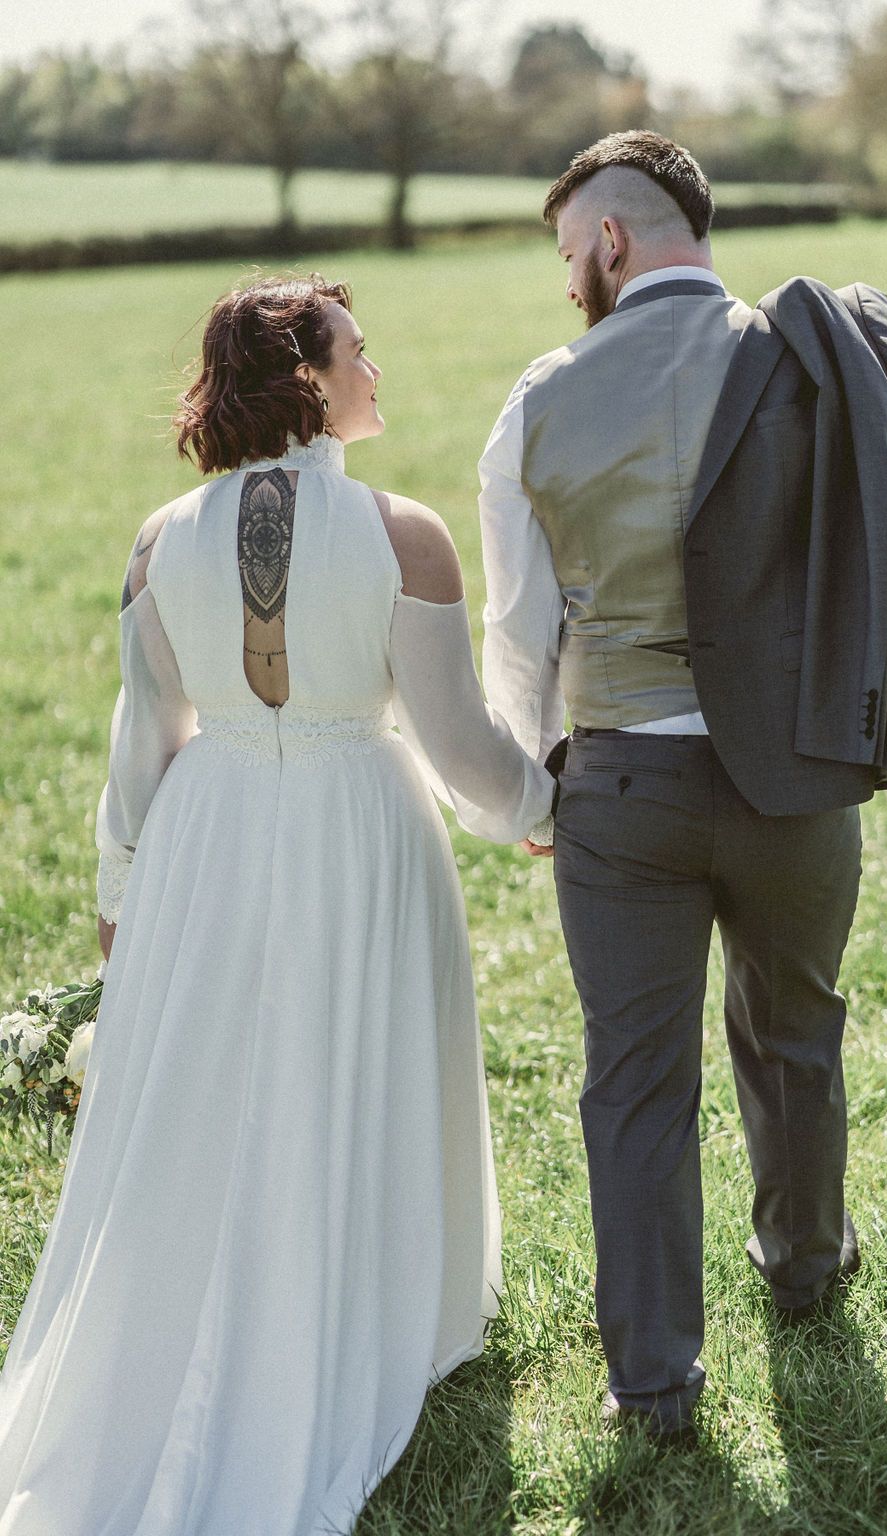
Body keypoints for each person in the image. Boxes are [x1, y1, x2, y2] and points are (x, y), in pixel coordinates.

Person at [0, 275, 554, 1535]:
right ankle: (361, 1303)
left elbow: (142, 739)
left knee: (209, 1080)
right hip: (359, 820)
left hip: (205, 832)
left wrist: (117, 894)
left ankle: (202, 1298)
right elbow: (461, 743)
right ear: (306, 375)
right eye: (359, 350)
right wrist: (545, 810)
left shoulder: (157, 538)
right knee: (349, 1059)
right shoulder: (405, 534)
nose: (378, 369)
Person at [478, 130, 887, 1442]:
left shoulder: (540, 399)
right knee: (796, 1032)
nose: (565, 284)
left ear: (608, 240)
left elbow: (519, 635)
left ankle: (651, 1385)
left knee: (634, 1082)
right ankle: (806, 1269)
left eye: (565, 255)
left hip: (625, 790)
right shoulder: (816, 370)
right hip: (798, 783)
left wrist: (538, 794)